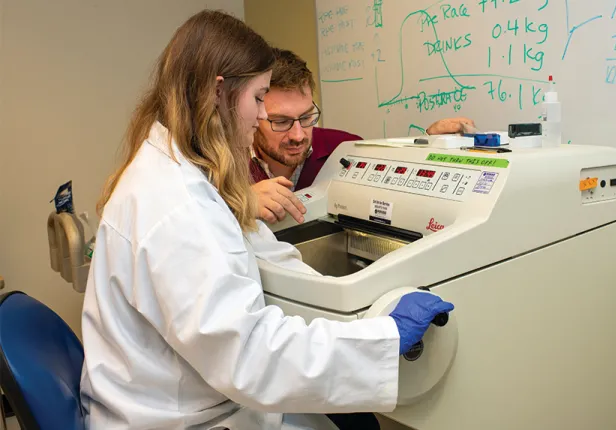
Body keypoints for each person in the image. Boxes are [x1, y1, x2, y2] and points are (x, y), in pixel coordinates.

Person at [80, 10, 454, 430]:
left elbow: (260, 248)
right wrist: (381, 338)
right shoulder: (177, 205)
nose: (262, 117)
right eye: (259, 99)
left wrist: (347, 301)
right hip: (183, 417)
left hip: (196, 395)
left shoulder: (178, 168)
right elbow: (250, 356)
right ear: (219, 93)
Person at [250, 48, 476, 224]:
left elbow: (389, 178)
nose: (298, 135)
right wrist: (239, 204)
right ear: (253, 114)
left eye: (307, 117)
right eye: (281, 122)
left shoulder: (343, 147)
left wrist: (428, 143)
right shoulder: (222, 165)